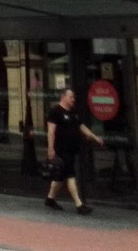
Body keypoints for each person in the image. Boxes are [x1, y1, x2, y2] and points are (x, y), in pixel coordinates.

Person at [45, 87, 103, 215]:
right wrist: (51, 148)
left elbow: (81, 126)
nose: (73, 99)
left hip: (72, 148)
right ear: (63, 97)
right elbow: (51, 131)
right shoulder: (55, 111)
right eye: (71, 97)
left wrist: (94, 137)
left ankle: (50, 199)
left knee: (59, 177)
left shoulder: (74, 112)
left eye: (73, 97)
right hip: (61, 149)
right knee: (70, 175)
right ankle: (79, 204)